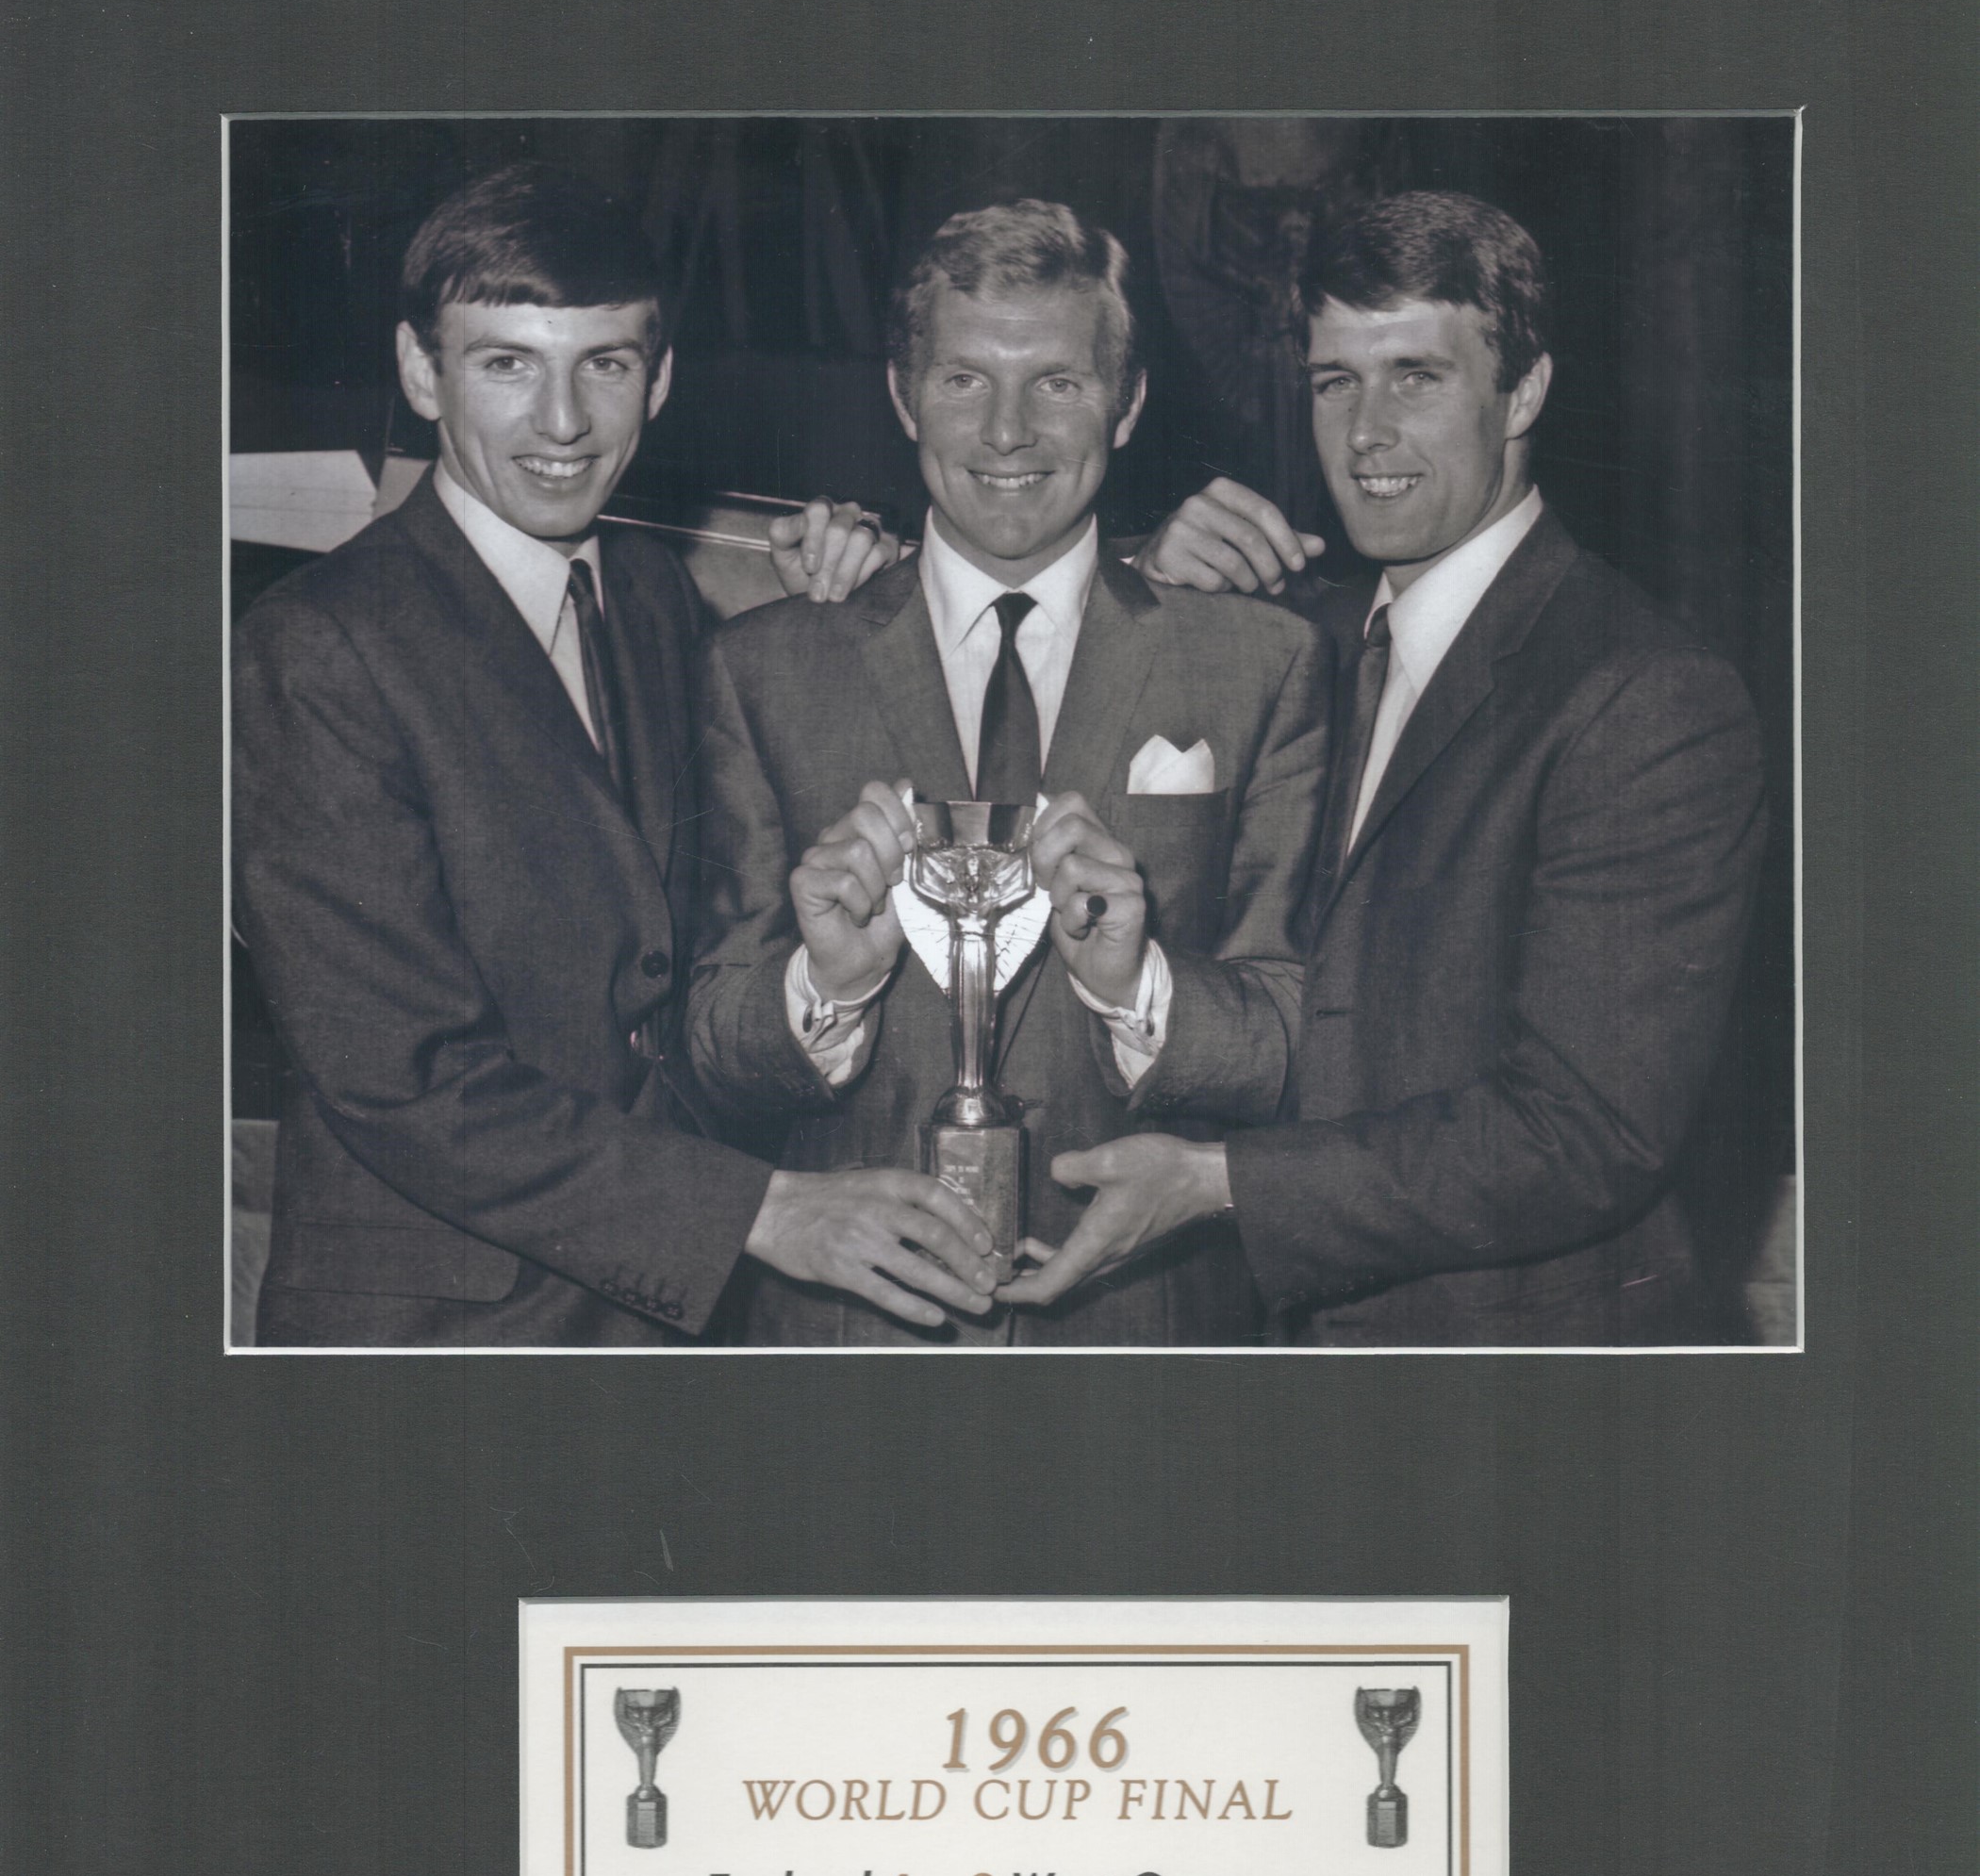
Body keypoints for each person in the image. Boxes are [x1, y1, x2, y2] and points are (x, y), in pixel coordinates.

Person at [234, 162, 998, 1347]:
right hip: (429, 1335)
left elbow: (665, 961)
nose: (563, 422)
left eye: (606, 363)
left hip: (640, 1319)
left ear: (662, 379)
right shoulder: (316, 645)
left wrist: (841, 613)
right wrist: (764, 1210)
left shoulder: (647, 595)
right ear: (418, 374)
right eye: (506, 363)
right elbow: (404, 1074)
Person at [1003, 189, 1768, 1346]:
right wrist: (1141, 568)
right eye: (1334, 382)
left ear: (1526, 391)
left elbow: (1585, 1130)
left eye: (1416, 375)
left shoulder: (1645, 694)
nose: (1365, 431)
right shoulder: (1301, 632)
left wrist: (1221, 1183)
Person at [686, 200, 1328, 1346]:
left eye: (1060, 384)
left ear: (1127, 405)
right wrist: (821, 987)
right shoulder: (765, 666)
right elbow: (708, 1047)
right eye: (964, 380)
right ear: (901, 393)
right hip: (847, 1345)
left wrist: (1142, 987)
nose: (1008, 433)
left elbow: (1296, 1037)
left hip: (1146, 1337)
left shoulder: (1256, 658)